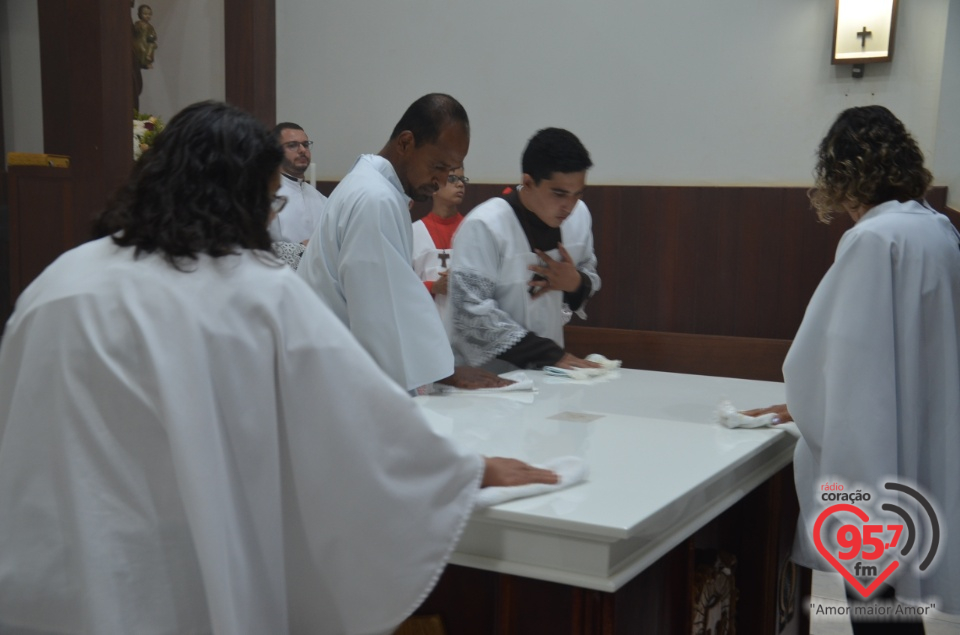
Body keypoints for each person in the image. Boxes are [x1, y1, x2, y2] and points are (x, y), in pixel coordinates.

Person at [0, 100, 556, 635]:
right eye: (270, 201)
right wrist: (461, 470)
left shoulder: (58, 284)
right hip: (169, 578)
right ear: (238, 200)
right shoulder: (254, 293)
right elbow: (356, 419)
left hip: (50, 577)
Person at [746, 106, 960, 632]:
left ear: (841, 174)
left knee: (879, 608)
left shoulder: (872, 240)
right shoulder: (939, 230)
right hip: (930, 439)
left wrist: (804, 399)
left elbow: (846, 362)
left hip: (876, 467)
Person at [298, 93, 510, 393]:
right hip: (337, 378)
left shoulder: (372, 186)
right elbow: (381, 314)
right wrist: (442, 372)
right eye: (437, 166)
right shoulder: (375, 199)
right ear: (406, 142)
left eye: (450, 171)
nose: (440, 180)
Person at [449, 127, 602, 371]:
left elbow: (589, 274)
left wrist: (575, 283)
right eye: (559, 193)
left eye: (577, 194)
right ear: (528, 182)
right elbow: (470, 312)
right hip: (491, 379)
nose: (569, 206)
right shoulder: (485, 225)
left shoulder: (580, 216)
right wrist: (546, 353)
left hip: (550, 373)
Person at [411, 167, 468, 313]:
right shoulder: (413, 232)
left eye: (462, 179)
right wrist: (433, 287)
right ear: (434, 187)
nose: (460, 184)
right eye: (452, 179)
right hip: (425, 322)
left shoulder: (471, 229)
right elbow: (399, 285)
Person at [267, 122, 328, 245]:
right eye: (292, 145)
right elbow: (260, 248)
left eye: (305, 145)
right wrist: (299, 249)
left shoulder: (321, 199)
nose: (302, 150)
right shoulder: (266, 195)